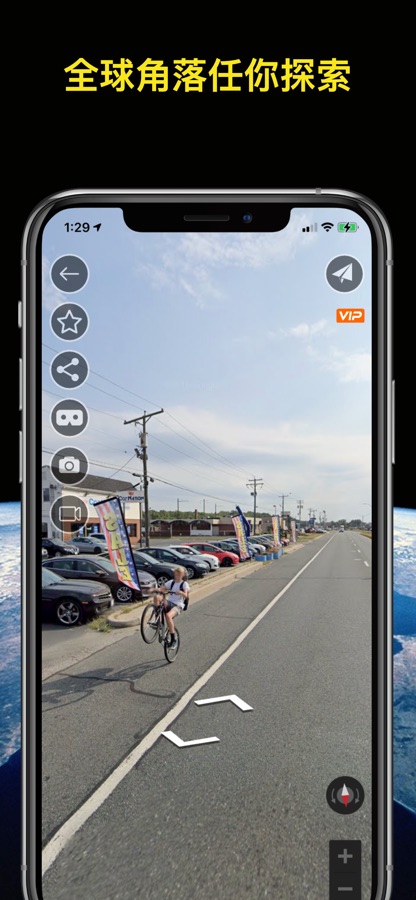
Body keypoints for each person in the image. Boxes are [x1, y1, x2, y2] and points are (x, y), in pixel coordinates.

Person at [153, 566, 190, 649]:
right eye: (176, 575)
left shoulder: (184, 584)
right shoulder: (171, 582)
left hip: (178, 605)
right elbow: (162, 589)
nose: (177, 576)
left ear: (182, 575)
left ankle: (173, 639)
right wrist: (156, 589)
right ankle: (157, 621)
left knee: (168, 616)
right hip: (169, 602)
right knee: (156, 597)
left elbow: (186, 595)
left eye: (179, 575)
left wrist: (181, 592)